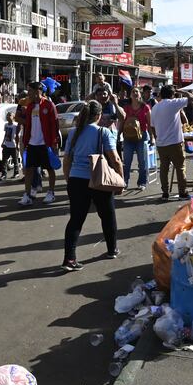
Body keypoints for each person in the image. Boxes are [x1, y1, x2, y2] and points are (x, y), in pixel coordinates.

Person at [61, 101, 122, 271]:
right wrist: (120, 181)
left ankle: (69, 259)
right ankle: (112, 249)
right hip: (98, 180)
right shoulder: (104, 132)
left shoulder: (73, 133)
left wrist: (69, 180)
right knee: (107, 216)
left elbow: (66, 160)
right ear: (98, 116)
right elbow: (115, 159)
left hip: (76, 180)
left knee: (76, 220)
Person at [19, 81, 59, 206]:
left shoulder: (49, 105)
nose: (28, 93)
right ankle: (27, 195)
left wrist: (54, 142)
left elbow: (55, 125)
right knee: (29, 169)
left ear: (38, 92)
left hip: (45, 144)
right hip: (32, 143)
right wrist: (25, 141)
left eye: (30, 91)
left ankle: (51, 193)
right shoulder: (30, 106)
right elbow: (27, 124)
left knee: (50, 168)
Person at [150, 85, 193, 200]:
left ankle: (165, 193)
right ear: (172, 94)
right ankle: (182, 192)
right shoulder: (174, 103)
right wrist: (181, 90)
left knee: (164, 169)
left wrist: (157, 137)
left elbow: (152, 126)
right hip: (175, 142)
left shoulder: (155, 107)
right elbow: (191, 97)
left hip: (161, 143)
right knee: (180, 168)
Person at [118, 87, 152, 190]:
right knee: (127, 162)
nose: (135, 93)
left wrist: (153, 138)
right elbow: (122, 122)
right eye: (133, 92)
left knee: (142, 161)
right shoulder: (126, 108)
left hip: (142, 136)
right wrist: (118, 134)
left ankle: (142, 183)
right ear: (130, 95)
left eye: (137, 91)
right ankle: (124, 182)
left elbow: (150, 124)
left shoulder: (145, 107)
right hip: (128, 137)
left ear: (140, 94)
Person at [0, 111, 20, 181]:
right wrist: (3, 142)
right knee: (4, 160)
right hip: (6, 145)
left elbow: (17, 136)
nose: (8, 117)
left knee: (15, 160)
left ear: (13, 117)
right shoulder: (6, 125)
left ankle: (16, 173)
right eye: (7, 115)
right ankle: (3, 174)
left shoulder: (15, 125)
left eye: (10, 115)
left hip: (13, 145)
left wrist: (17, 145)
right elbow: (6, 134)